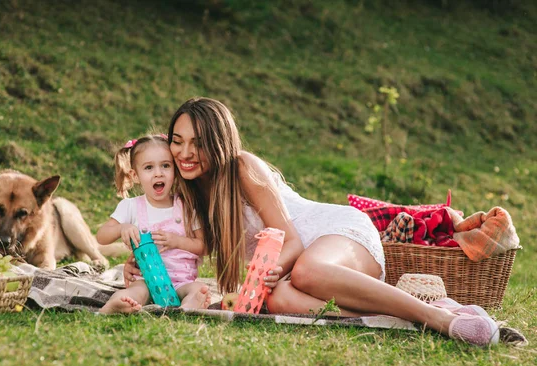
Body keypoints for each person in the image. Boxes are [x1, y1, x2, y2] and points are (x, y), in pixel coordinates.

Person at [123, 98, 499, 346]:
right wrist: (141, 262)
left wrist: (277, 267)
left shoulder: (241, 167)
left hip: (335, 235)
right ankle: (404, 312)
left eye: (198, 142)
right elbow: (183, 252)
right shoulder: (190, 193)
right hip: (296, 272)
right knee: (280, 298)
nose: (185, 153)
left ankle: (436, 317)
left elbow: (292, 242)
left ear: (220, 142)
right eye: (177, 140)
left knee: (304, 272)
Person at [97, 134, 211, 314]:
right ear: (135, 175)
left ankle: (187, 307)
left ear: (175, 169)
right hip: (146, 280)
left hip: (182, 281)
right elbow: (102, 236)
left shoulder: (187, 207)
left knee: (198, 289)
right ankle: (119, 304)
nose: (158, 173)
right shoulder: (131, 206)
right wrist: (122, 228)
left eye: (165, 165)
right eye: (149, 167)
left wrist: (177, 241)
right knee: (136, 291)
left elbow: (205, 246)